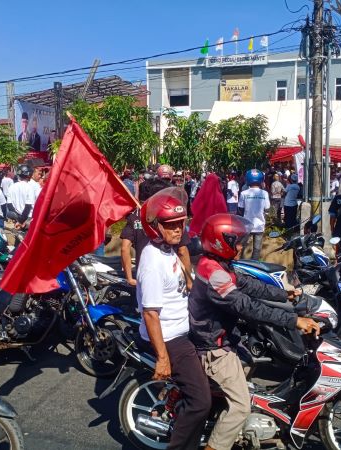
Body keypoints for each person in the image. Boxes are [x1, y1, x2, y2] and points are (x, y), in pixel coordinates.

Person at [188, 213, 320, 450]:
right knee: (241, 407)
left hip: (223, 337)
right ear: (221, 242)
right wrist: (293, 320)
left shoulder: (218, 264)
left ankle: (220, 412)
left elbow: (248, 284)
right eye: (236, 242)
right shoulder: (214, 274)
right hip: (213, 348)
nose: (240, 246)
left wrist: (285, 294)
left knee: (250, 361)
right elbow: (247, 306)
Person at [136, 187, 211, 450]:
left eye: (181, 224)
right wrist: (163, 357)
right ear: (155, 227)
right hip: (171, 338)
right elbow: (150, 314)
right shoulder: (152, 261)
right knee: (201, 401)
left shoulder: (169, 252)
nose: (178, 230)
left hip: (183, 329)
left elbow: (185, 285)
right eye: (170, 225)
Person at [120, 178, 192, 287]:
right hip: (170, 277)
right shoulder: (171, 219)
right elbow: (182, 250)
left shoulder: (134, 216)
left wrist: (129, 278)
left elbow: (125, 248)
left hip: (144, 276)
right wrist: (189, 281)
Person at [238, 169, 270, 260]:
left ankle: (241, 264)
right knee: (257, 249)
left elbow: (240, 210)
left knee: (242, 246)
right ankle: (254, 265)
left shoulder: (244, 193)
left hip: (246, 225)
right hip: (259, 225)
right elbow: (267, 208)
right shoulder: (264, 193)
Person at [6, 164, 35, 229]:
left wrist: (17, 219)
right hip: (27, 219)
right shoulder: (29, 188)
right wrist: (21, 221)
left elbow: (9, 204)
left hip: (16, 218)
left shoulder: (12, 187)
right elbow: (28, 206)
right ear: (29, 175)